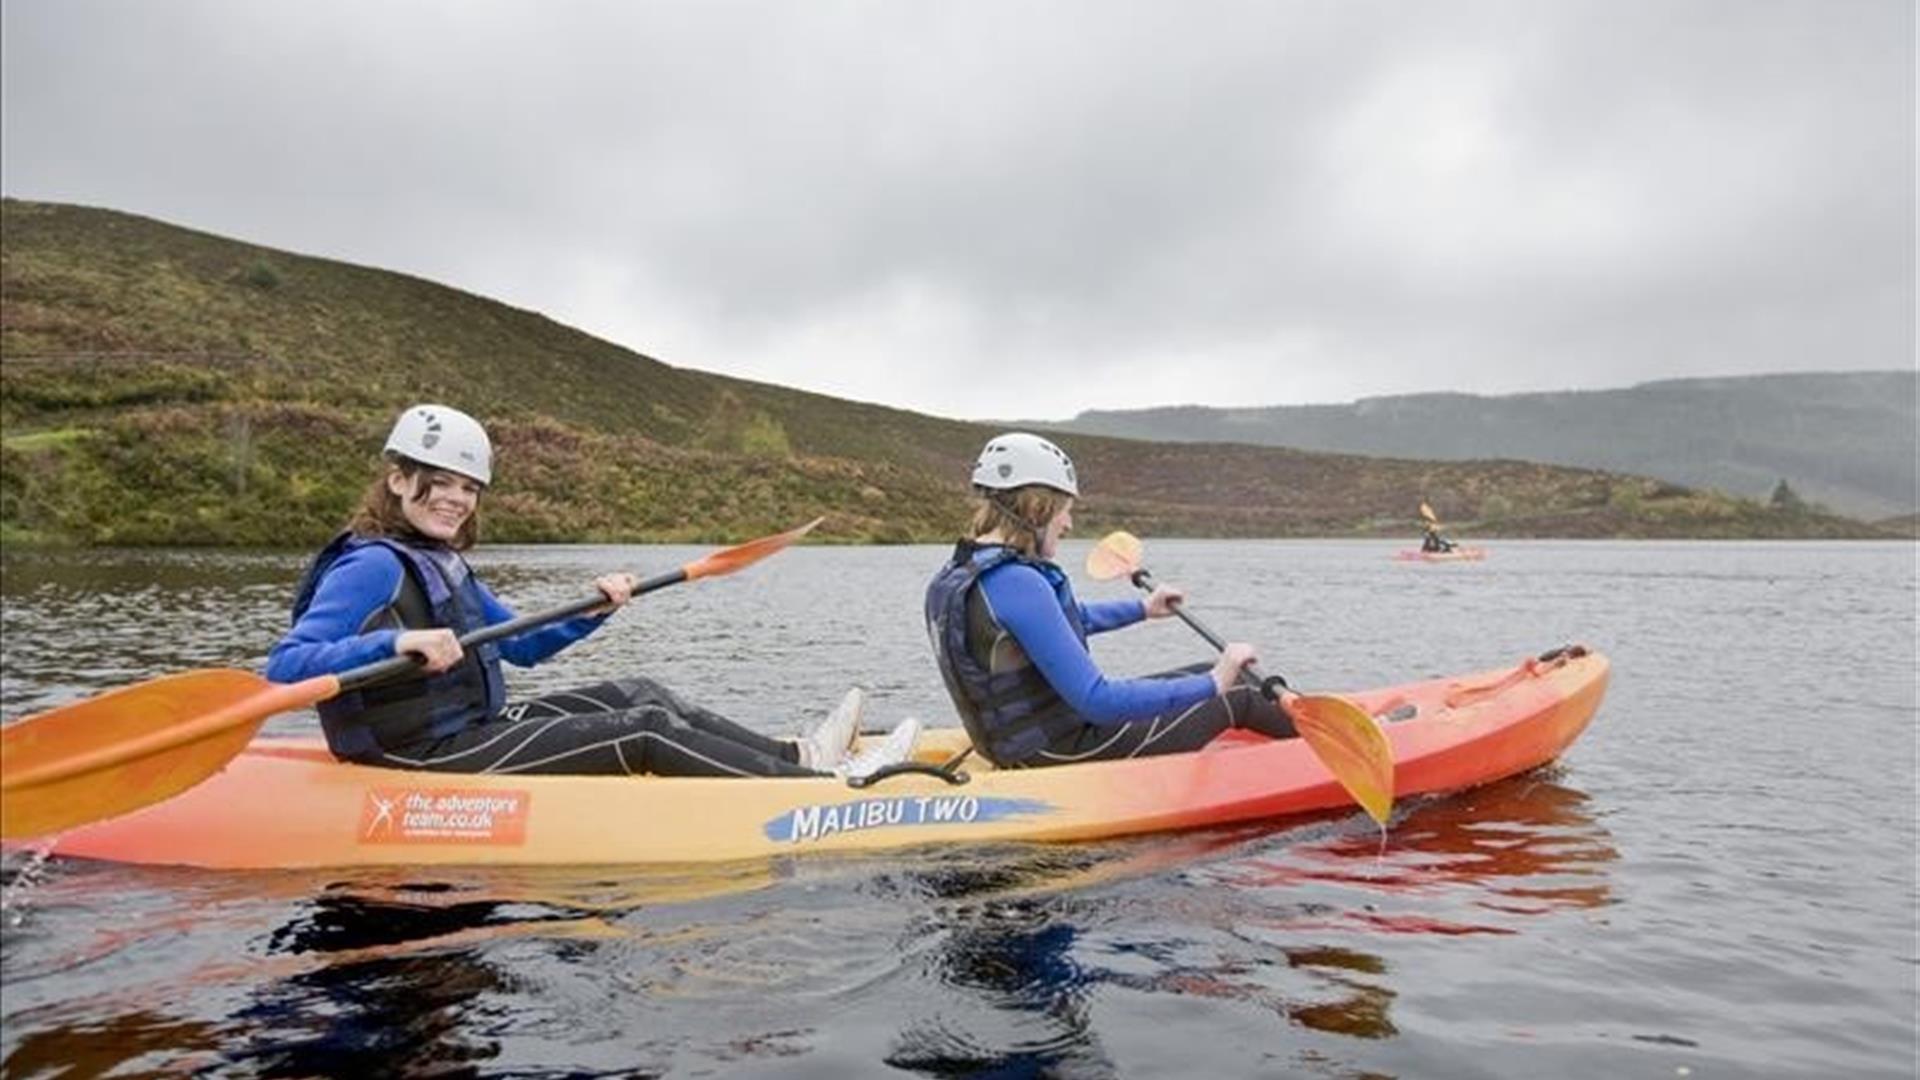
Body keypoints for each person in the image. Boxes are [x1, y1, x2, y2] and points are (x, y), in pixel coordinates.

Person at [267, 403, 921, 779]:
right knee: (641, 728)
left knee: (637, 692)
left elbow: (522, 645)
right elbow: (285, 667)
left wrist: (596, 608)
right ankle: (820, 788)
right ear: (400, 479)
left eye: (468, 488)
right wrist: (397, 640)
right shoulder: (371, 565)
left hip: (471, 728)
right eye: (440, 482)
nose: (457, 500)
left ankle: (799, 754)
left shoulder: (439, 561)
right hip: (415, 756)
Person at [923, 432, 1296, 768]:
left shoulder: (957, 575)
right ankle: (1325, 761)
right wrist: (1214, 683)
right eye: (1065, 510)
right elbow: (1096, 700)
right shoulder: (1018, 581)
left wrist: (1143, 609)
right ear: (1037, 508)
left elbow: (1058, 623)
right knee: (1240, 689)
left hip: (1013, 746)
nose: (1068, 524)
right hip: (1061, 750)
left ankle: (1303, 727)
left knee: (1211, 668)